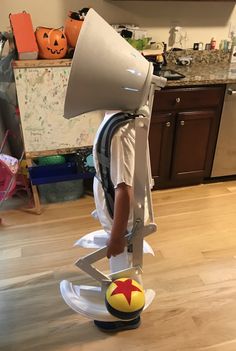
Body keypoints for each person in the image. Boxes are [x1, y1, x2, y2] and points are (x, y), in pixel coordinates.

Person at [92, 111, 141, 332]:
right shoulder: (117, 119)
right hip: (115, 216)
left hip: (121, 222)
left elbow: (123, 189)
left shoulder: (119, 133)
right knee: (122, 264)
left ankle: (126, 316)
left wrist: (117, 236)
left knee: (122, 267)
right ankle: (124, 308)